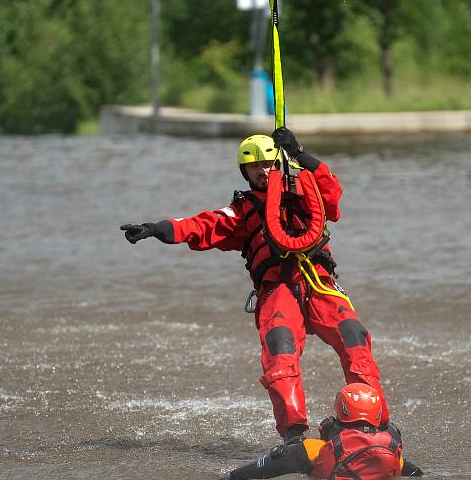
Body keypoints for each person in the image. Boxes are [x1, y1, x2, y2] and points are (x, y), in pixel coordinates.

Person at [121, 127, 390, 444]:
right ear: (245, 172)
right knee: (280, 349)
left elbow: (332, 192)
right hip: (277, 290)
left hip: (320, 285)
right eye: (254, 167)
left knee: (354, 337)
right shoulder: (241, 211)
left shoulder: (305, 193)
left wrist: (300, 152)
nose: (262, 171)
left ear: (279, 163)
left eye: (267, 163)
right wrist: (155, 228)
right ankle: (294, 434)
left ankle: (373, 423)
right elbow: (200, 225)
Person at [221, 383, 423, 480]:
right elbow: (418, 475)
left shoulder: (313, 449)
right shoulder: (393, 452)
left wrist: (226, 476)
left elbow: (249, 472)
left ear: (341, 410)